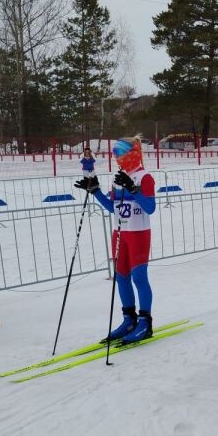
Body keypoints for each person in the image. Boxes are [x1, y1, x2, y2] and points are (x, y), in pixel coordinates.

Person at [76, 136, 156, 343]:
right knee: (121, 277)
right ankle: (128, 319)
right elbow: (113, 208)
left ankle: (145, 322)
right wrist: (95, 192)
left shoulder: (144, 177)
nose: (118, 158)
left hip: (138, 232)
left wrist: (133, 190)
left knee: (139, 277)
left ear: (134, 154)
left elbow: (150, 208)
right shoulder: (117, 178)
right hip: (119, 233)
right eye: (115, 154)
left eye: (121, 153)